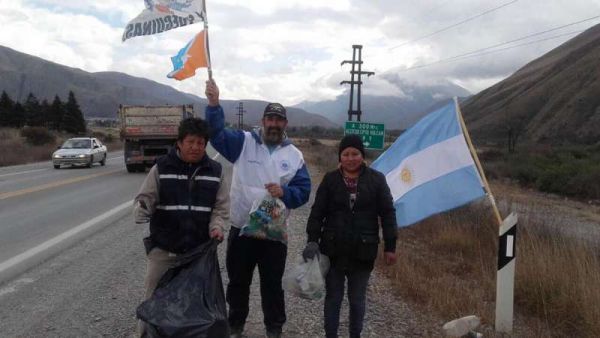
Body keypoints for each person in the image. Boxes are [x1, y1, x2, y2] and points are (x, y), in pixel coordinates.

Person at [204, 80, 311, 338]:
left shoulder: (294, 155)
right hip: (241, 229)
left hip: (274, 235)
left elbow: (304, 191)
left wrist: (286, 192)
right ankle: (236, 325)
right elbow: (217, 135)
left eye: (279, 120)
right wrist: (214, 104)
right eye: (270, 119)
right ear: (263, 121)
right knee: (238, 282)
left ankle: (274, 328)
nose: (274, 124)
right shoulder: (243, 142)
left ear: (285, 124)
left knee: (272, 285)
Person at [133, 117, 230, 336]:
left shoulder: (215, 171)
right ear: (179, 142)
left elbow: (221, 207)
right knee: (152, 303)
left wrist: (217, 227)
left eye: (201, 143)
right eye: (191, 142)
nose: (196, 147)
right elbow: (145, 197)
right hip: (164, 251)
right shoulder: (161, 168)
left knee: (197, 306)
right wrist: (143, 208)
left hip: (199, 254)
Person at [303, 134, 397, 338]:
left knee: (357, 300)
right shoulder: (330, 180)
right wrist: (312, 240)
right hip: (333, 251)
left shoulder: (377, 180)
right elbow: (317, 212)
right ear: (340, 157)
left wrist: (390, 246)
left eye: (355, 153)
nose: (350, 158)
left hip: (363, 252)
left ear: (362, 156)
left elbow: (388, 213)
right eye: (346, 154)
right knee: (333, 298)